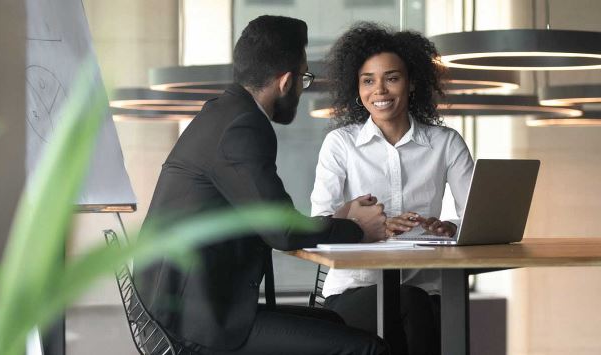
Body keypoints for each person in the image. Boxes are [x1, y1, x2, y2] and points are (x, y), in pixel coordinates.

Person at [135, 16, 392, 355]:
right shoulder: (242, 127)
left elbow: (268, 217)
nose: (302, 88)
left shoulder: (223, 113)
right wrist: (357, 229)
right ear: (285, 82)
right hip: (193, 324)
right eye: (303, 78)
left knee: (334, 325)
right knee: (370, 349)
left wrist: (342, 217)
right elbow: (281, 230)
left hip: (185, 308)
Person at [310, 23, 475, 355]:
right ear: (356, 88)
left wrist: (449, 228)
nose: (379, 90)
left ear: (412, 83)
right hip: (354, 292)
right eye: (368, 80)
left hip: (429, 291)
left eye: (392, 78)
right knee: (412, 304)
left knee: (429, 306)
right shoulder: (340, 145)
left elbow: (475, 217)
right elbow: (319, 221)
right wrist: (365, 227)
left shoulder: (446, 144)